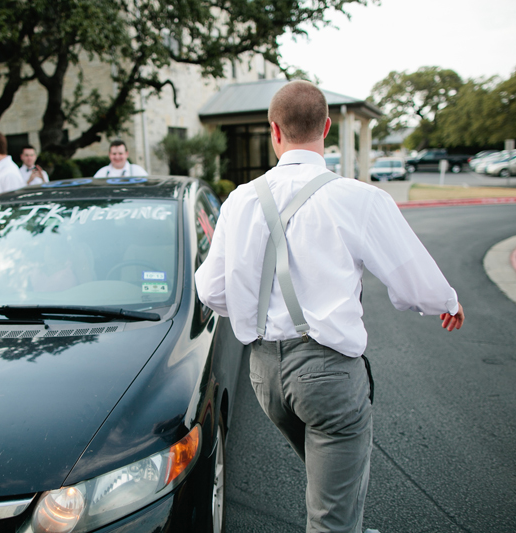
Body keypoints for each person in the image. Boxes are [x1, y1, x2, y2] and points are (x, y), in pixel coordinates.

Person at [195, 81, 465, 533]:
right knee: (330, 516)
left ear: (274, 131)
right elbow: (411, 275)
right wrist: (447, 301)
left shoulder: (240, 200)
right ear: (328, 127)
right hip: (327, 375)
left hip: (265, 377)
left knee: (330, 489)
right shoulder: (357, 198)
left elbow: (212, 293)